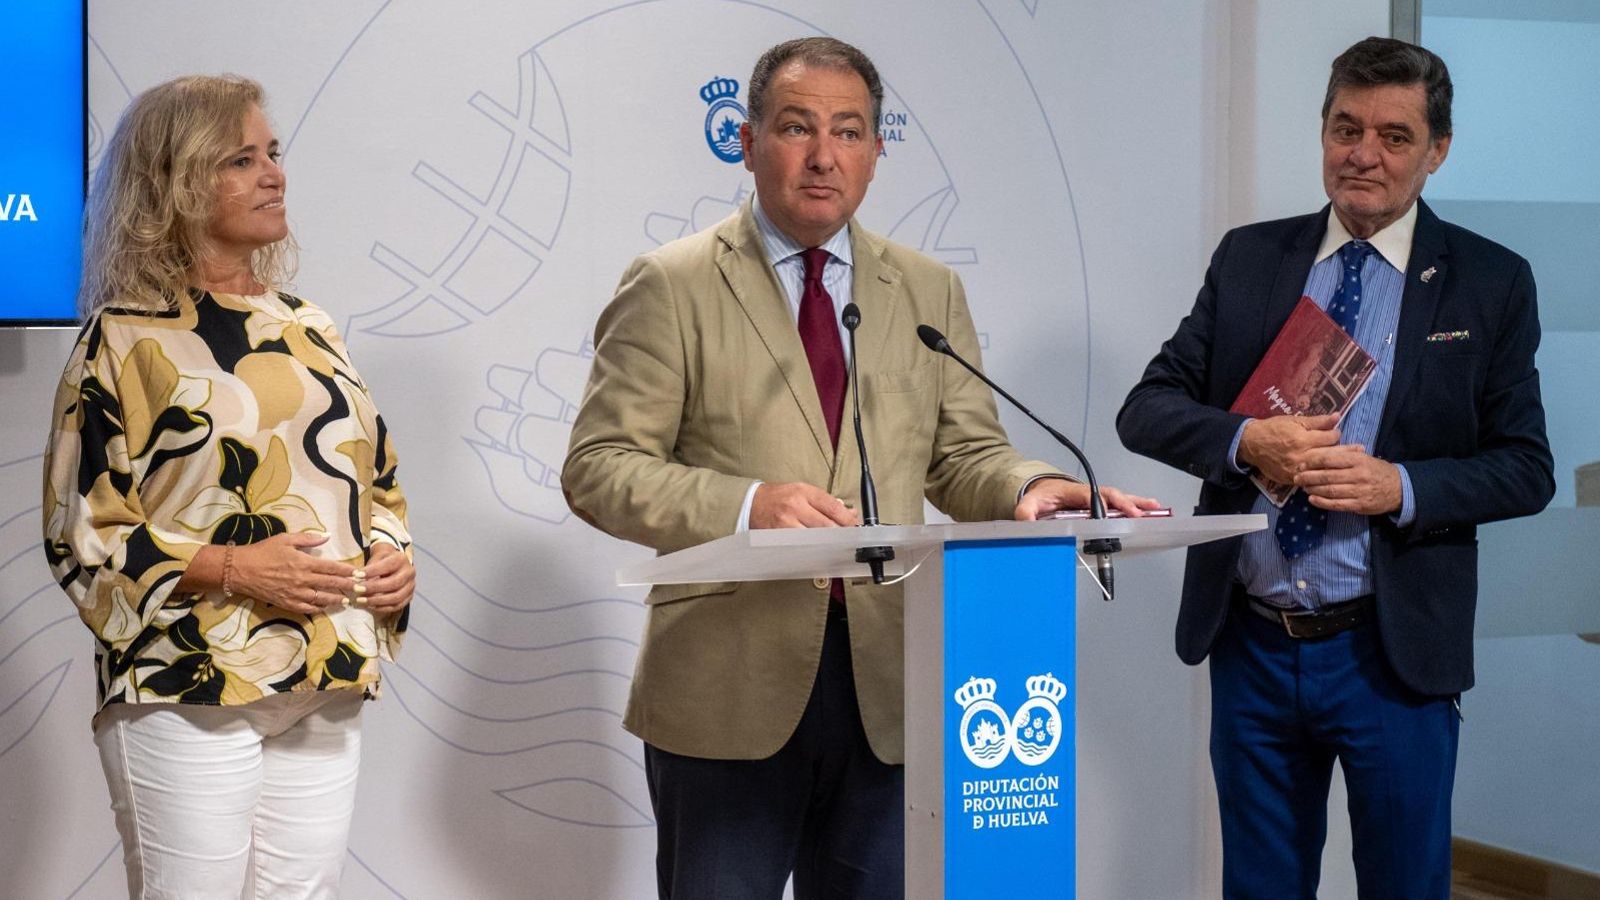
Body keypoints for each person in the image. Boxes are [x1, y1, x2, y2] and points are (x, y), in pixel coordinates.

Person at [563, 36, 1156, 900]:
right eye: (797, 127)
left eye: (849, 131)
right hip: (729, 683)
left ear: (878, 153)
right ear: (747, 139)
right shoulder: (672, 283)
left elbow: (961, 455)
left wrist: (1027, 487)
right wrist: (749, 503)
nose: (822, 154)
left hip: (890, 687)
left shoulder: (922, 291)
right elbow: (600, 467)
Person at [1117, 37, 1553, 900]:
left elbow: (1526, 466)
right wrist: (1248, 442)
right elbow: (1147, 408)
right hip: (1252, 642)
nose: (1364, 154)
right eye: (1346, 128)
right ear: (1321, 132)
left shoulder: (1489, 282)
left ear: (1438, 152)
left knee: (1403, 886)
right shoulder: (1250, 259)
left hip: (1390, 655)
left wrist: (1406, 488)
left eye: (1395, 137)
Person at [41, 75, 415, 898]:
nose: (273, 174)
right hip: (188, 679)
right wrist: (235, 569)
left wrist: (391, 556)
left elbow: (374, 478)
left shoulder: (309, 325)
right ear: (174, 183)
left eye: (272, 153)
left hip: (323, 669)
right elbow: (84, 530)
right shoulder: (123, 335)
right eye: (240, 160)